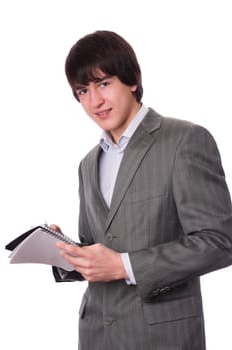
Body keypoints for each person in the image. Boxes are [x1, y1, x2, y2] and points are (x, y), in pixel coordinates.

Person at [52, 30, 232, 350]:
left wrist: (125, 265)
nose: (95, 101)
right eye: (83, 90)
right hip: (96, 335)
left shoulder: (184, 140)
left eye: (104, 83)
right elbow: (100, 248)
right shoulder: (87, 164)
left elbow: (220, 241)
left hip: (161, 337)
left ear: (133, 79)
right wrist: (66, 253)